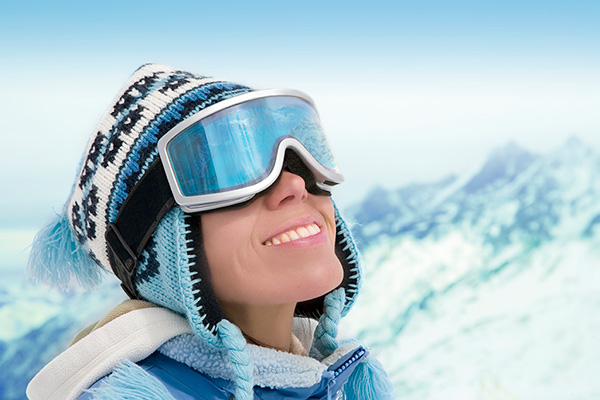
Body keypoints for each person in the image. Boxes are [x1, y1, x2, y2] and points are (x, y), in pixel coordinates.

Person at [26, 64, 395, 400]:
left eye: (301, 154)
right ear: (166, 253)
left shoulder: (328, 383)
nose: (295, 184)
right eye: (233, 171)